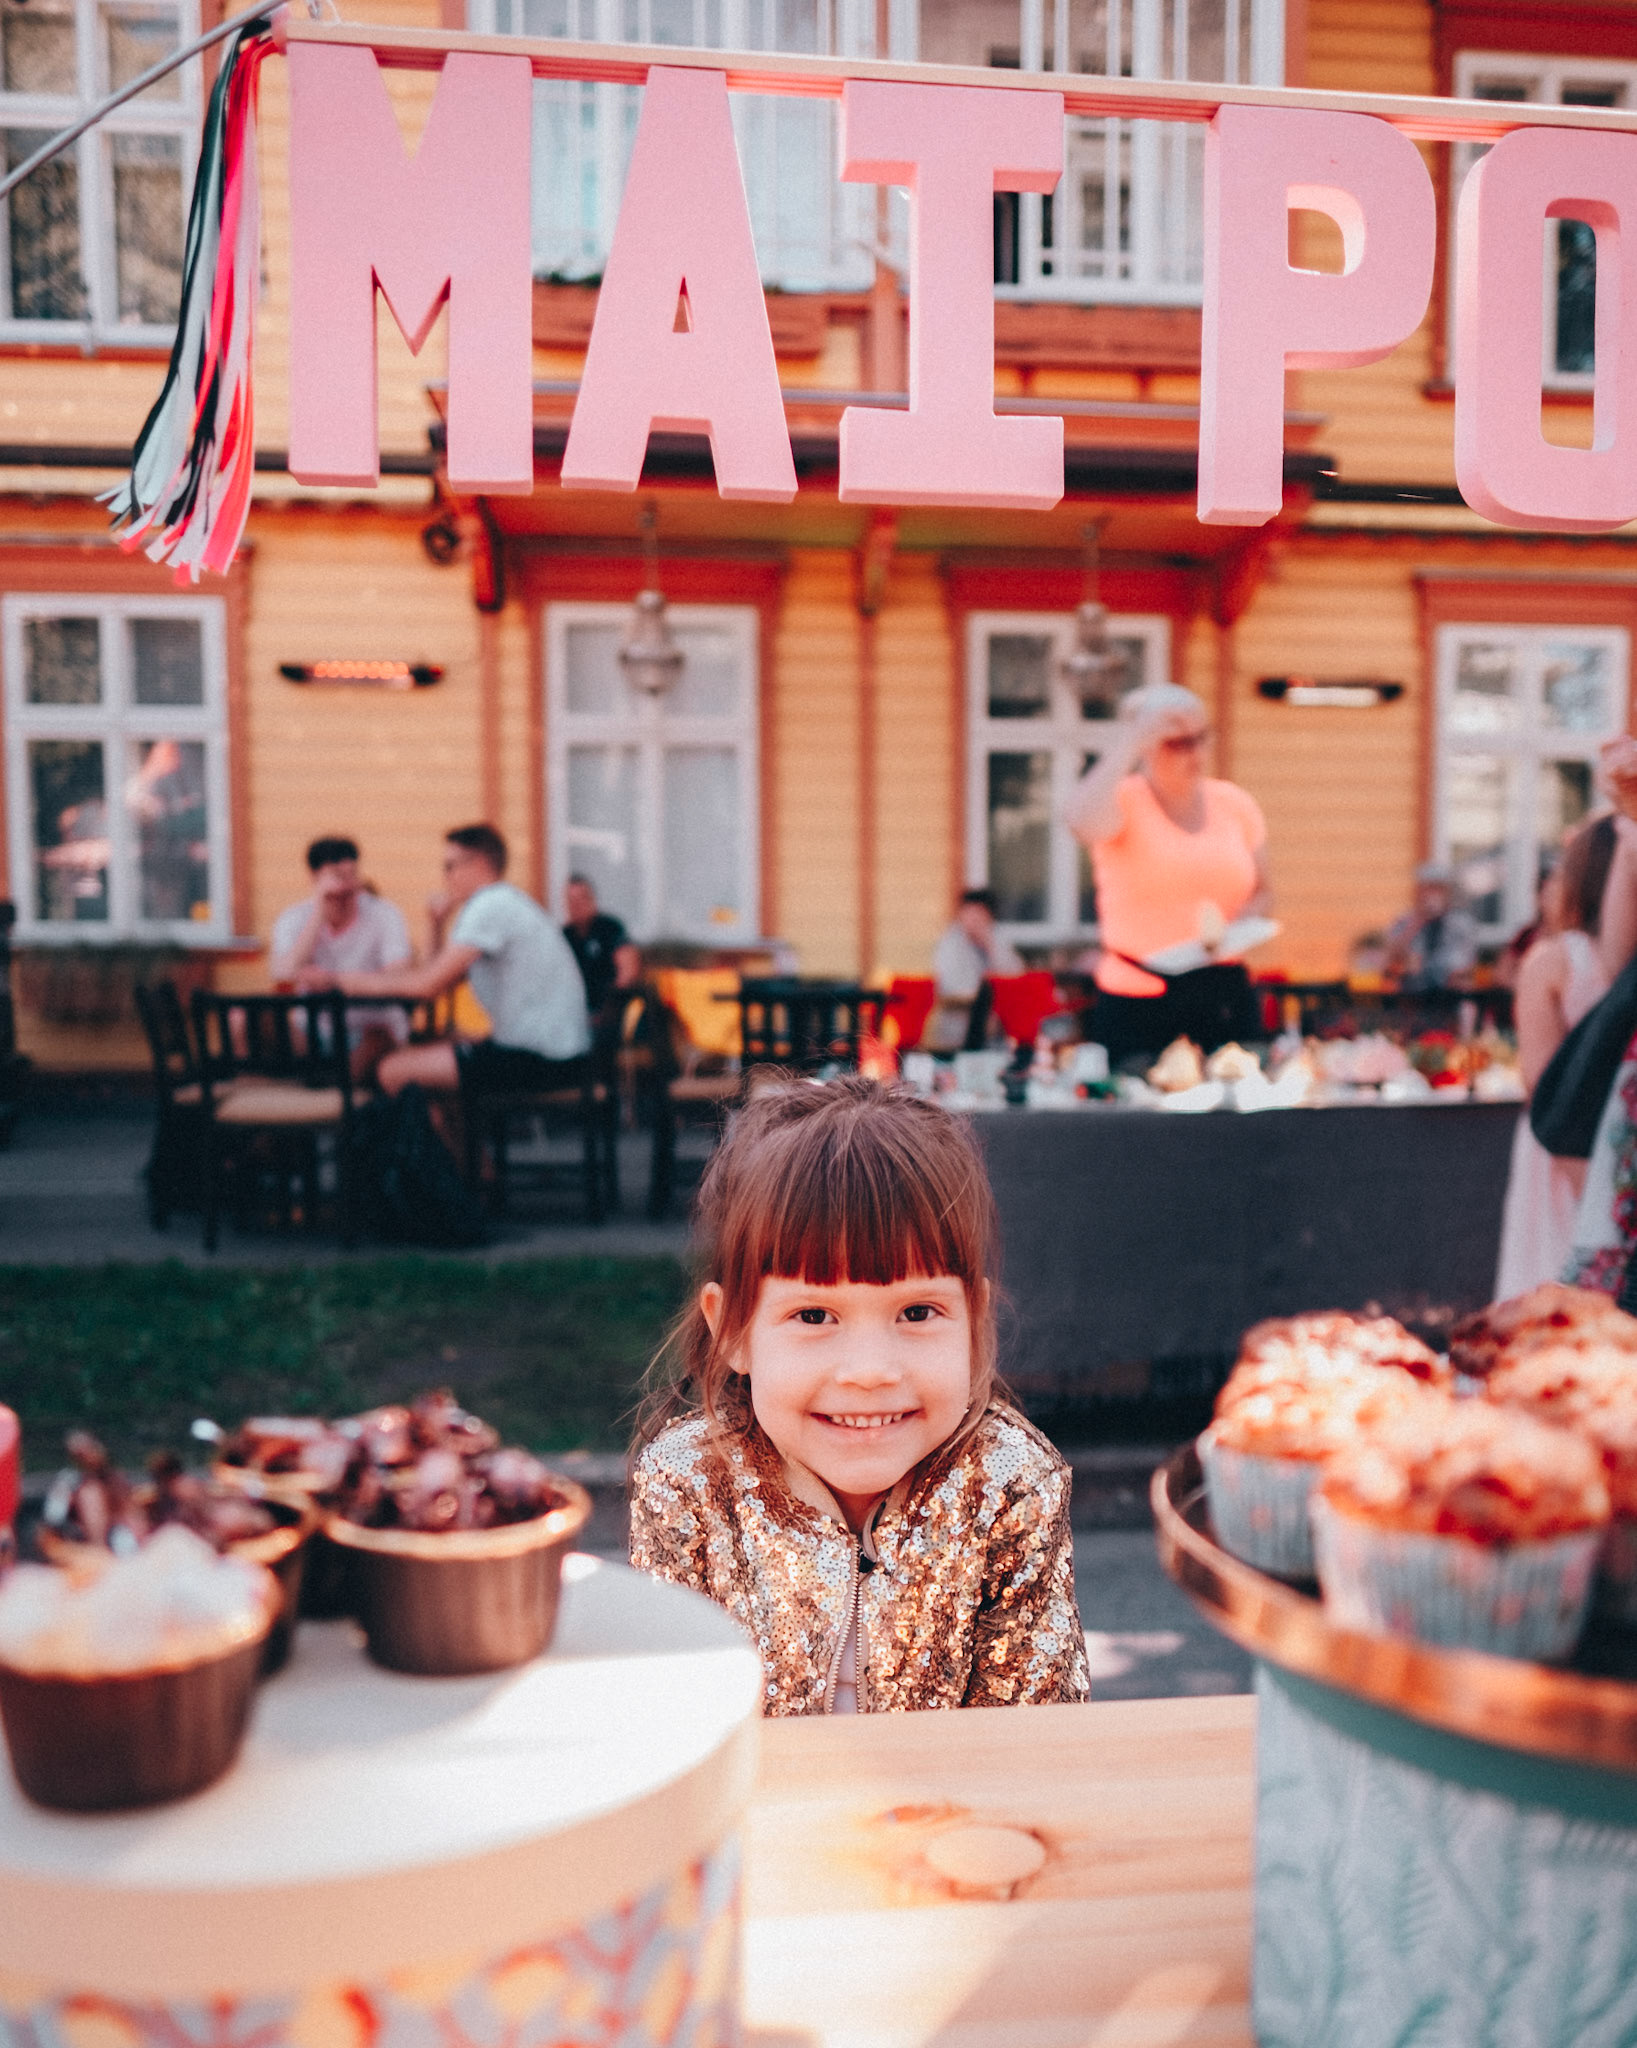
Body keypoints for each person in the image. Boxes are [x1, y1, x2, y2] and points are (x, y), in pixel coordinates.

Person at [628, 1076, 1090, 1715]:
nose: (869, 1372)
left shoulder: (1010, 1482)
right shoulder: (688, 1482)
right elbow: (670, 1723)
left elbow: (1038, 1737)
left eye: (917, 1312)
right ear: (731, 1331)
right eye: (815, 1316)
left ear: (974, 1321)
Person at [296, 824, 589, 1097]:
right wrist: (436, 925)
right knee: (426, 1049)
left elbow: (426, 986)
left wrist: (335, 980)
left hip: (541, 1058)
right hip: (555, 1050)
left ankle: (442, 1138)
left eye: (450, 866)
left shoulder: (490, 906)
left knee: (392, 1070)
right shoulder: (500, 902)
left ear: (478, 864)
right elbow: (436, 977)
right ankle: (459, 1139)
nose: (445, 876)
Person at [1067, 683, 1272, 1064]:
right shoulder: (1124, 800)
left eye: (1200, 738)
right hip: (1140, 992)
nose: (1195, 753)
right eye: (1178, 744)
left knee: (1241, 1094)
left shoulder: (1234, 803)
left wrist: (1242, 923)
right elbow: (1079, 821)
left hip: (1223, 987)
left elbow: (1263, 890)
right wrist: (1131, 741)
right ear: (1148, 747)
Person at [1494, 816, 1616, 1297]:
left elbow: (1543, 1088)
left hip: (1564, 1150)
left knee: (1551, 1291)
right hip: (1605, 1149)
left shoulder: (1550, 961)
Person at [269, 836, 413, 1077]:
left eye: (352, 875)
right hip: (311, 1030)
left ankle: (341, 1092)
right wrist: (319, 912)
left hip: (371, 1028)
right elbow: (283, 973)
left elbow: (399, 974)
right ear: (314, 878)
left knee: (376, 1039)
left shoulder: (384, 913)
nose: (347, 885)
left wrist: (333, 981)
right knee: (243, 1021)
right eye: (337, 876)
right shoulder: (294, 918)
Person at [929, 888, 1025, 1051]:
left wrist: (991, 946)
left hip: (997, 1027)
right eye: (969, 913)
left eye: (980, 914)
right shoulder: (950, 944)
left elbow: (1016, 977)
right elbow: (954, 987)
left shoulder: (997, 940)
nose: (974, 920)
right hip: (957, 1024)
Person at [1383, 862, 1480, 993]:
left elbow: (1465, 963)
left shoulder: (1461, 923)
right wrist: (1418, 921)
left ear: (1447, 892)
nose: (1431, 894)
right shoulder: (1405, 921)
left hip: (1450, 993)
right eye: (1426, 888)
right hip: (1413, 993)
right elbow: (1390, 957)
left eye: (1436, 888)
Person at [563, 873, 641, 1028]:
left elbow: (628, 971)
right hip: (576, 1014)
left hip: (611, 1013)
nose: (576, 905)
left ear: (592, 899)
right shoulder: (565, 936)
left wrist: (608, 1010)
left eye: (581, 899)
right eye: (571, 900)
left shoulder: (610, 928)